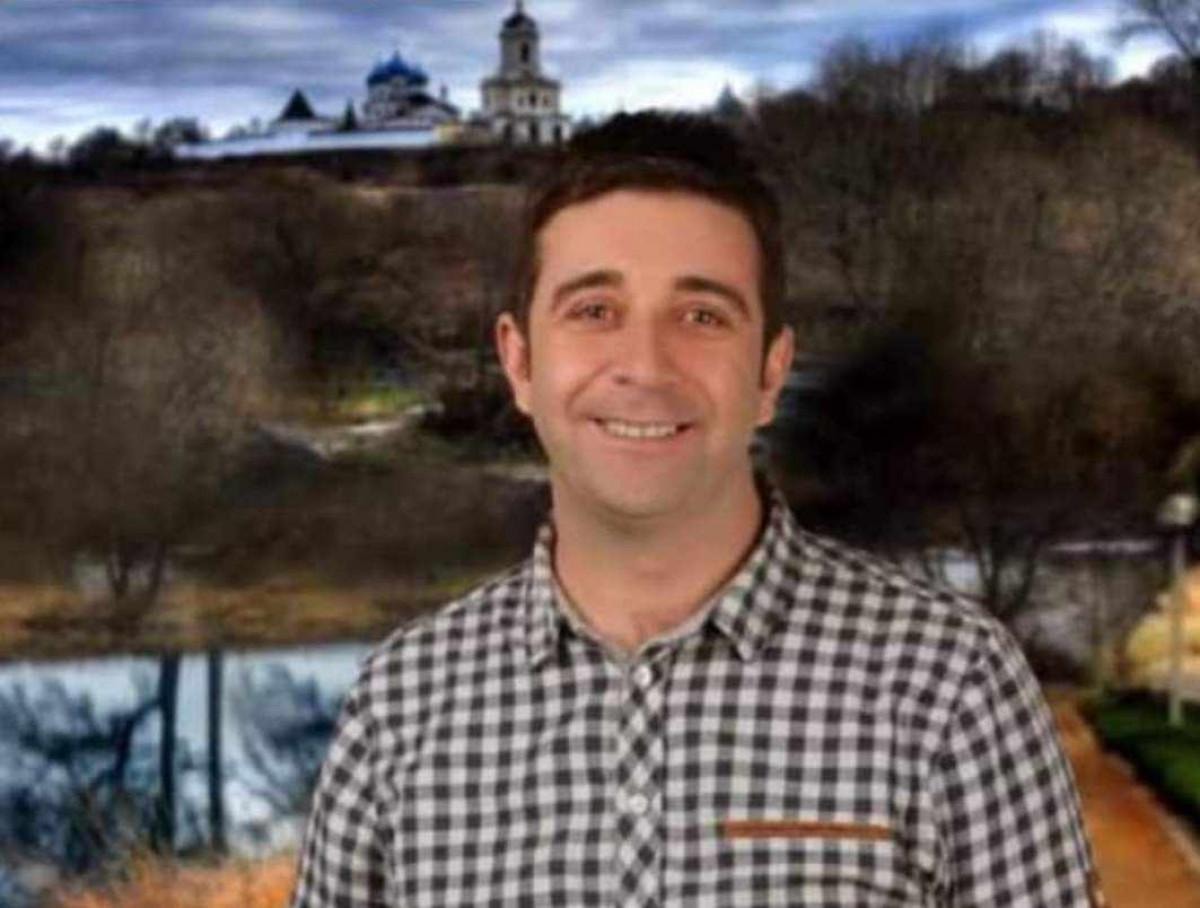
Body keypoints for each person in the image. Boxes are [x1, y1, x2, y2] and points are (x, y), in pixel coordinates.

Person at [290, 111, 1103, 907]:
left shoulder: (951, 683)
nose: (645, 366)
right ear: (520, 360)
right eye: (594, 311)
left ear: (770, 373)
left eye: (702, 316)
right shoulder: (402, 703)